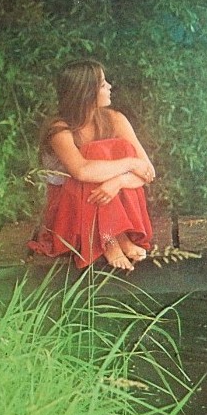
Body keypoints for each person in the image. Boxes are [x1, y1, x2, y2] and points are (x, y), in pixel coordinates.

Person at [28, 60, 155, 272]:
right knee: (92, 156)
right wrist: (130, 164)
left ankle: (118, 234)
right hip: (71, 215)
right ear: (86, 92)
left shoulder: (115, 119)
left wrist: (118, 181)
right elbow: (82, 170)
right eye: (103, 84)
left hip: (104, 201)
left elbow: (148, 172)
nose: (110, 87)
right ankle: (109, 240)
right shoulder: (60, 130)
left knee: (120, 148)